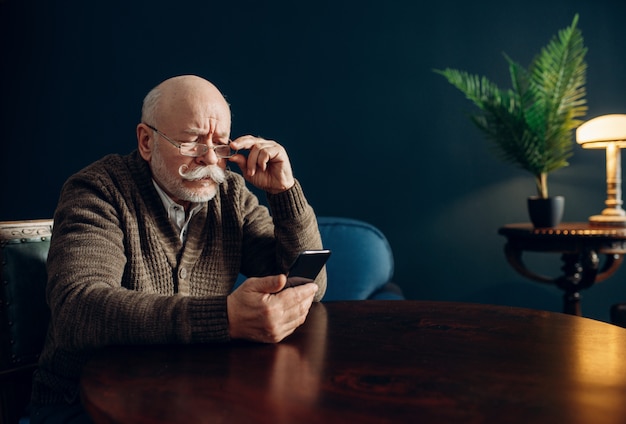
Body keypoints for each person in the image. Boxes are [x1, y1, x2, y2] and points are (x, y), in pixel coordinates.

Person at [30, 75, 327, 423]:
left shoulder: (231, 196)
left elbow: (310, 285)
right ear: (145, 140)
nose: (209, 159)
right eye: (191, 141)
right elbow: (77, 308)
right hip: (82, 402)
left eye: (220, 145)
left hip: (191, 398)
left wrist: (284, 192)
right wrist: (224, 318)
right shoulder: (98, 191)